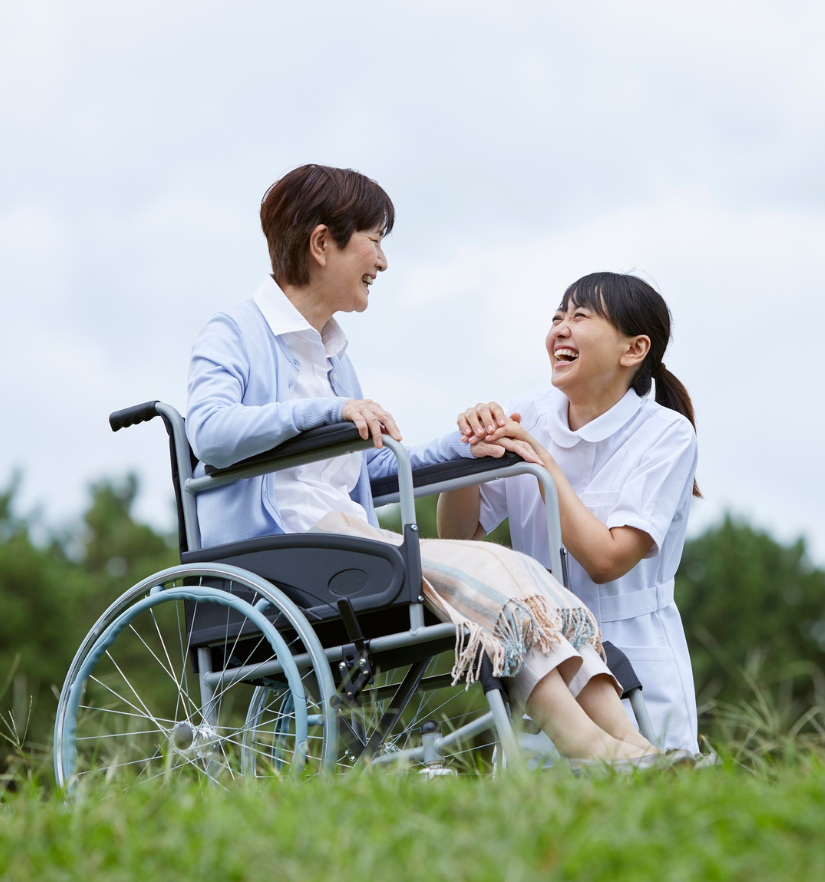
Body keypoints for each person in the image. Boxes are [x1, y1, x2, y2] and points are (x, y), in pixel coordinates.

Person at [186, 165, 689, 766]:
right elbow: (209, 433)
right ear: (324, 245)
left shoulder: (332, 355)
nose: (383, 260)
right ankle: (593, 748)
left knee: (517, 577)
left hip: (347, 543)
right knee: (497, 575)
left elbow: (362, 475)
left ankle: (633, 748)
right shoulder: (236, 332)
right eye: (374, 239)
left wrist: (463, 446)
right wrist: (332, 411)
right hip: (286, 554)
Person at [438, 272, 701, 754]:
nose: (561, 327)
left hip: (635, 654)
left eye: (581, 316)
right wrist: (469, 460)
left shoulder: (667, 435)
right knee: (545, 820)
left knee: (649, 804)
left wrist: (542, 463)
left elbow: (606, 561)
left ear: (633, 349)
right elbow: (460, 536)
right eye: (558, 316)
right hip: (544, 656)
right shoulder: (527, 413)